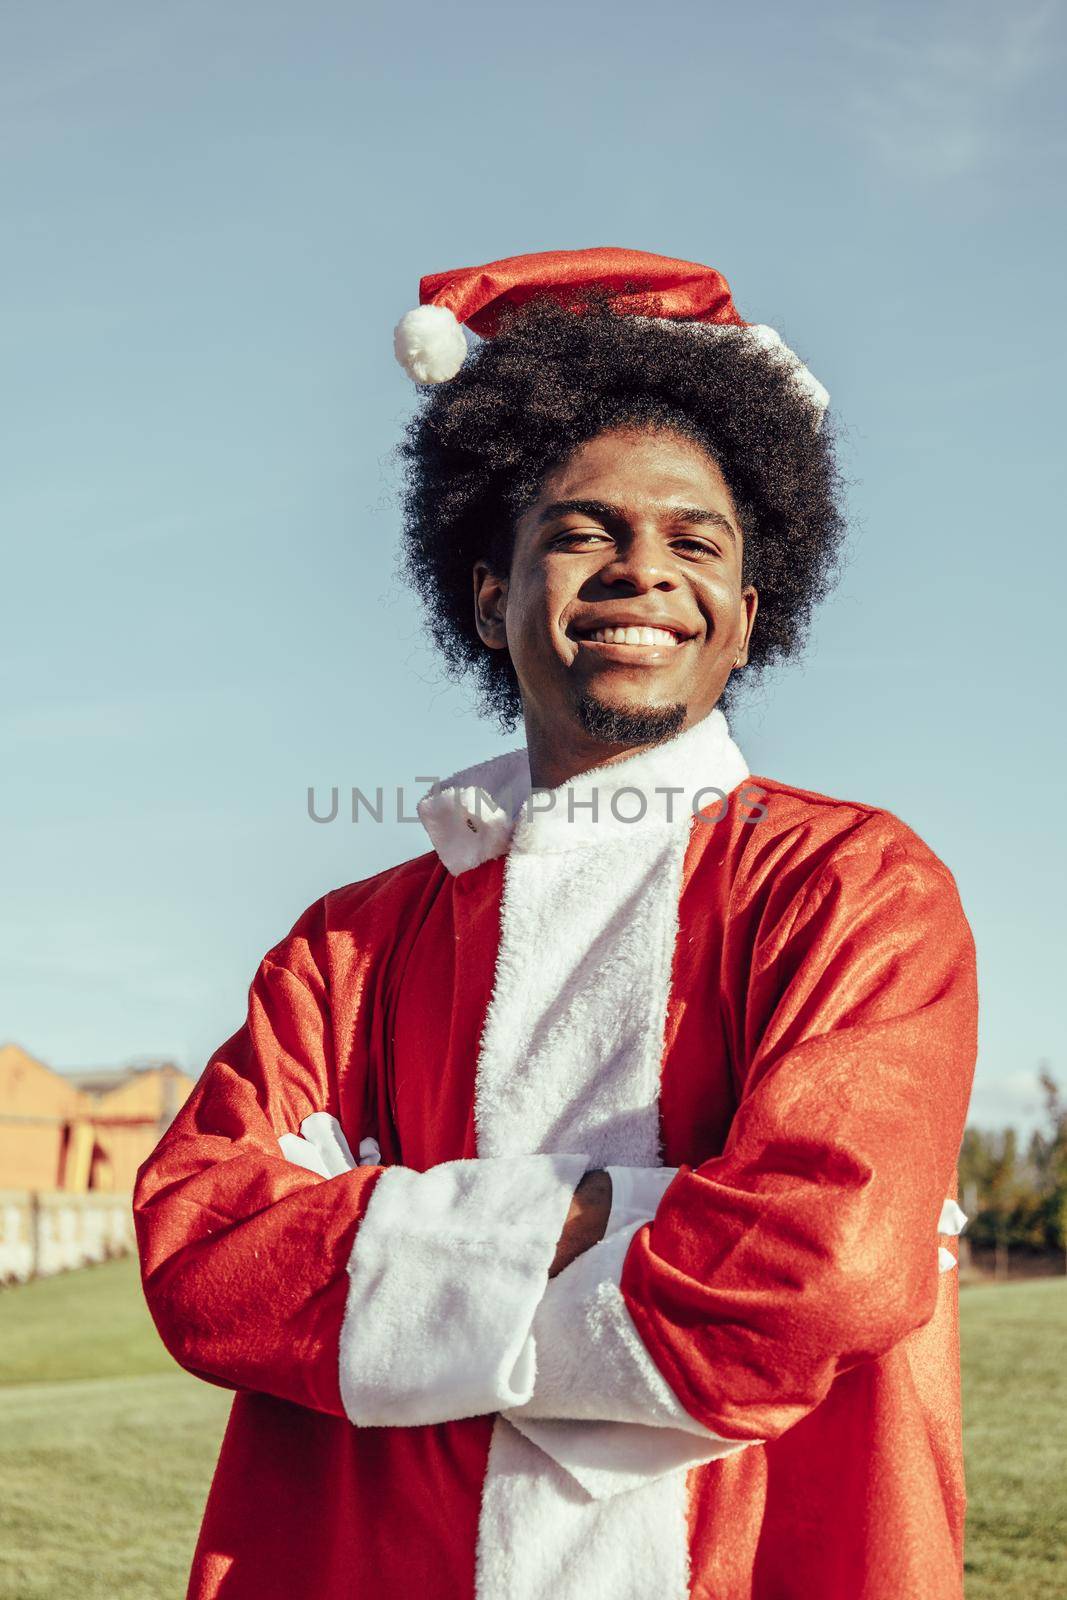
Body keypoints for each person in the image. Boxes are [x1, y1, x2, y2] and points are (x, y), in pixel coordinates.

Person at [134, 247, 977, 1600]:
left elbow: (826, 1270)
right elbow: (206, 1257)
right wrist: (624, 1214)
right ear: (488, 596)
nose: (644, 570)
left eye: (696, 540)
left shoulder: (855, 888)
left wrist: (397, 1241)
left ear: (748, 620)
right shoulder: (344, 948)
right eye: (583, 530)